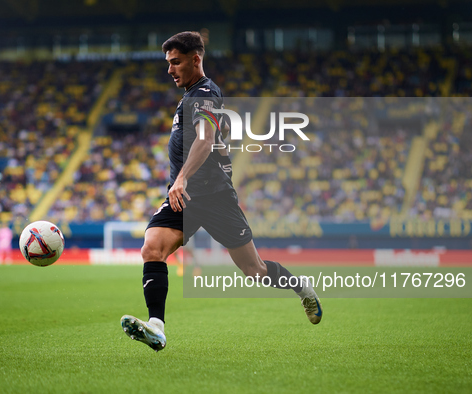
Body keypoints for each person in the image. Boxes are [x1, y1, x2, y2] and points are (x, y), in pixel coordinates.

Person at [121, 32, 322, 352]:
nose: (170, 70)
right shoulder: (190, 95)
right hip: (184, 197)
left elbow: (204, 137)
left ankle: (302, 288)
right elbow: (214, 141)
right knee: (152, 248)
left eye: (175, 63)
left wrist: (182, 176)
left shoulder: (205, 93)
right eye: (168, 63)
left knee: (253, 270)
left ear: (195, 59)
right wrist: (197, 174)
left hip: (213, 197)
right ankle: (156, 327)